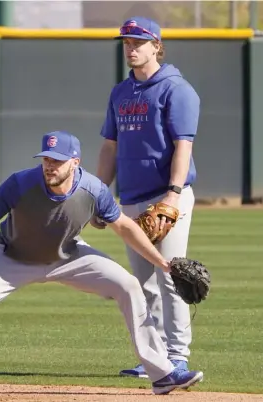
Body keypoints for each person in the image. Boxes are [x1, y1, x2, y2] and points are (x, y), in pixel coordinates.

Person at [0, 131, 203, 396]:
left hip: (69, 256)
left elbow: (125, 227)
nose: (50, 166)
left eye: (57, 160)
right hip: (12, 258)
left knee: (129, 285)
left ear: (75, 162)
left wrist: (163, 264)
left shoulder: (93, 189)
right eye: (46, 159)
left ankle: (162, 373)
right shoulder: (20, 184)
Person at [93, 16, 201, 379]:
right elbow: (110, 146)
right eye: (126, 42)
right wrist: (97, 194)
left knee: (170, 277)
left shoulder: (176, 89)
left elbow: (183, 146)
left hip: (166, 197)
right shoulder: (120, 92)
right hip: (131, 199)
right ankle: (154, 358)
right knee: (142, 284)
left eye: (138, 42)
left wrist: (172, 194)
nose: (131, 47)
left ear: (156, 45)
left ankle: (178, 355)